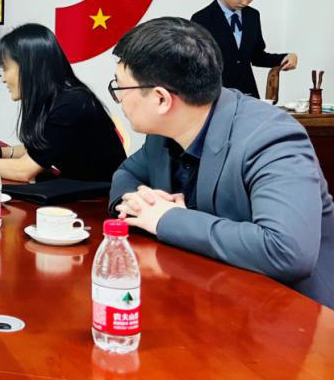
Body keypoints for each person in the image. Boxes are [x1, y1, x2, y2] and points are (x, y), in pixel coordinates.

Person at [109, 17, 332, 307]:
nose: (119, 100)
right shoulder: (163, 131)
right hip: (208, 294)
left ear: (161, 99)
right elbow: (127, 173)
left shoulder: (270, 137)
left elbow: (288, 251)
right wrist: (138, 202)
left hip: (290, 311)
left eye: (120, 89)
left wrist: (167, 219)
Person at [0, 23, 126, 182]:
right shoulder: (59, 98)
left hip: (98, 199)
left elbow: (24, 171)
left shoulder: (71, 105)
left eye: (6, 68)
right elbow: (39, 150)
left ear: (29, 67)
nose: (3, 78)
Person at [190, 0, 297, 97]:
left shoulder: (252, 16)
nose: (245, 2)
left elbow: (257, 56)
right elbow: (195, 64)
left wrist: (285, 57)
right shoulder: (202, 18)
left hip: (247, 94)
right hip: (216, 95)